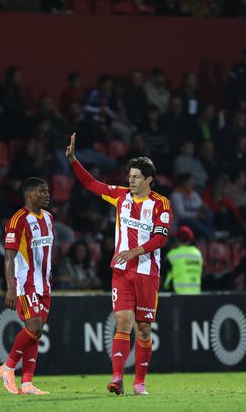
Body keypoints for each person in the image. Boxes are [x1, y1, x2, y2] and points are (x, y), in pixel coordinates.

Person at [66, 134, 171, 396]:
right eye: (130, 176)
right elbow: (90, 183)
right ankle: (117, 378)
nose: (130, 180)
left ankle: (139, 382)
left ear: (149, 179)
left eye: (136, 177)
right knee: (122, 323)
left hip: (147, 273)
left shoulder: (161, 204)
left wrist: (134, 250)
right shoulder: (119, 196)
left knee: (143, 329)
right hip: (122, 273)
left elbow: (160, 238)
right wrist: (73, 160)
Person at [0, 177, 54, 396]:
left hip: (44, 284)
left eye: (47, 191)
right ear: (29, 195)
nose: (47, 194)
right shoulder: (17, 220)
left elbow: (45, 252)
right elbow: (9, 257)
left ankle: (27, 383)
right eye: (42, 191)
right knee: (35, 327)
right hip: (25, 283)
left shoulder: (48, 218)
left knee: (35, 334)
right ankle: (8, 367)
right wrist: (11, 287)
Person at [163, 226, 202, 294]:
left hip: (177, 293)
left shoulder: (173, 254)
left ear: (178, 239)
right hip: (196, 293)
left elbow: (164, 273)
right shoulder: (198, 253)